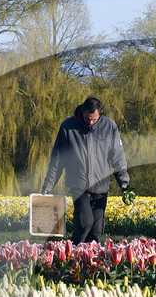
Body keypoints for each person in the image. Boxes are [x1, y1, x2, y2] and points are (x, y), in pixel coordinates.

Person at [41, 96, 132, 245]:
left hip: (101, 187)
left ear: (100, 113)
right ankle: (72, 254)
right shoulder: (68, 127)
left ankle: (90, 264)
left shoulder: (109, 127)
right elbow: (57, 161)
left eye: (94, 119)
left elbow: (118, 157)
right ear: (82, 111)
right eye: (87, 118)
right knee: (85, 223)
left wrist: (124, 183)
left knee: (96, 231)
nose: (90, 122)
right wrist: (47, 187)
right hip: (79, 186)